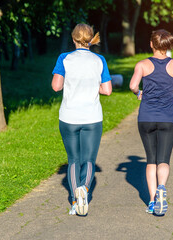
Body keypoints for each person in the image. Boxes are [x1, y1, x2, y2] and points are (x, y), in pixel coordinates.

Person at [51, 23, 112, 216]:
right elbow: (107, 90)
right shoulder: (99, 60)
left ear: (74, 39)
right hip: (92, 117)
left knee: (73, 160)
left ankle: (75, 200)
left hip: (69, 117)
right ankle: (84, 189)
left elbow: (56, 87)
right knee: (89, 160)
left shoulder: (64, 58)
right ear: (90, 39)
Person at [129, 29, 173, 215]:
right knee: (163, 159)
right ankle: (162, 187)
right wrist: (167, 93)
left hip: (146, 118)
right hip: (168, 119)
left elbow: (132, 85)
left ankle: (153, 200)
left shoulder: (142, 64)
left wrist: (140, 93)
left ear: (151, 44)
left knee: (151, 160)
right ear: (168, 45)